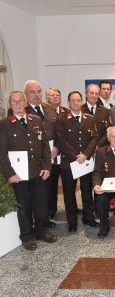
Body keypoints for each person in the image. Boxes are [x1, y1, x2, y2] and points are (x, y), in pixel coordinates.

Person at [0, 91, 57, 250]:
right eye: (14, 101)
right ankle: (26, 236)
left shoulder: (36, 120)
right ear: (10, 104)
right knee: (24, 205)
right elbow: (2, 153)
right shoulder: (5, 123)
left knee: (41, 204)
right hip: (19, 174)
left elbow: (45, 146)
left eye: (20, 101)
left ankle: (41, 231)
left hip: (38, 171)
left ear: (25, 103)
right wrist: (10, 174)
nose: (17, 104)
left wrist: (47, 167)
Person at [56, 91, 99, 232]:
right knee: (69, 193)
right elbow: (60, 140)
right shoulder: (61, 119)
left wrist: (86, 154)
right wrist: (76, 155)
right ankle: (72, 222)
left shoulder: (90, 118)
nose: (75, 103)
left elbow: (94, 138)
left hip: (86, 161)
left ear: (82, 102)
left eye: (78, 100)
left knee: (87, 191)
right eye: (72, 100)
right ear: (69, 103)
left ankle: (88, 218)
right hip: (69, 162)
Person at [24, 80, 60, 227]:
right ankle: (39, 220)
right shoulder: (23, 110)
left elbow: (59, 131)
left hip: (53, 155)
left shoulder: (50, 109)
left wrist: (57, 147)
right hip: (34, 159)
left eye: (38, 91)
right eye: (32, 92)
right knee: (38, 191)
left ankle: (47, 217)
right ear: (26, 94)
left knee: (51, 187)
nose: (36, 94)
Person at [46, 87, 68, 220]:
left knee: (68, 185)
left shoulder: (67, 111)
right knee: (52, 185)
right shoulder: (45, 112)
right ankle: (51, 210)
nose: (55, 97)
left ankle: (71, 207)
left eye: (57, 95)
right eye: (52, 95)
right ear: (47, 98)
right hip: (52, 155)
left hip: (65, 155)